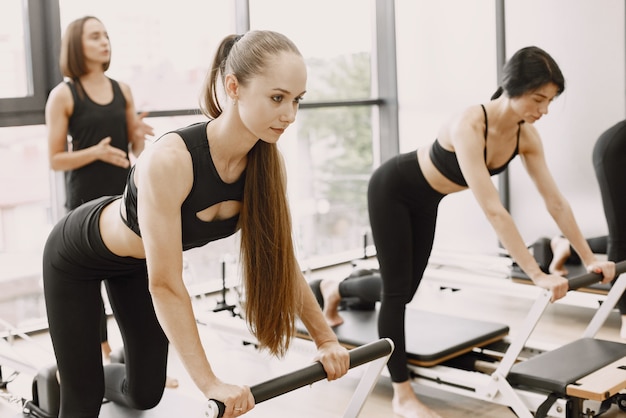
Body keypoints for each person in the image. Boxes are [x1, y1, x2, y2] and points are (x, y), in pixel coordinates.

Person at [42, 29, 350, 418]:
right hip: (77, 258)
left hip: (139, 264)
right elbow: (167, 283)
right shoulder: (172, 160)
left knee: (145, 394)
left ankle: (73, 371)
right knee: (82, 403)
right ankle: (75, 377)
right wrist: (210, 383)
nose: (289, 115)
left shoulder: (267, 167)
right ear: (233, 87)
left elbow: (282, 260)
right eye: (277, 98)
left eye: (296, 100)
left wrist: (326, 340)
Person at [365, 46, 616, 418]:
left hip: (427, 201)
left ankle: (337, 289)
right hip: (392, 190)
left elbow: (556, 201)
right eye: (538, 98)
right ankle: (403, 394)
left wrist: (591, 255)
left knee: (404, 286)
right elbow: (493, 210)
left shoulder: (525, 136)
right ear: (511, 87)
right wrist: (536, 273)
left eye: (550, 101)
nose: (543, 110)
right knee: (397, 294)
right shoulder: (469, 123)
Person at [44, 16, 181, 388]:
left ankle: (145, 364)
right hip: (83, 207)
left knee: (135, 283)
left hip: (121, 203)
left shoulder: (122, 90)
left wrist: (136, 133)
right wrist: (95, 153)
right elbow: (55, 158)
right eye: (94, 37)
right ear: (76, 45)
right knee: (89, 291)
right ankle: (94, 361)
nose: (104, 42)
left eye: (105, 35)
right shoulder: (64, 94)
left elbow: (134, 150)